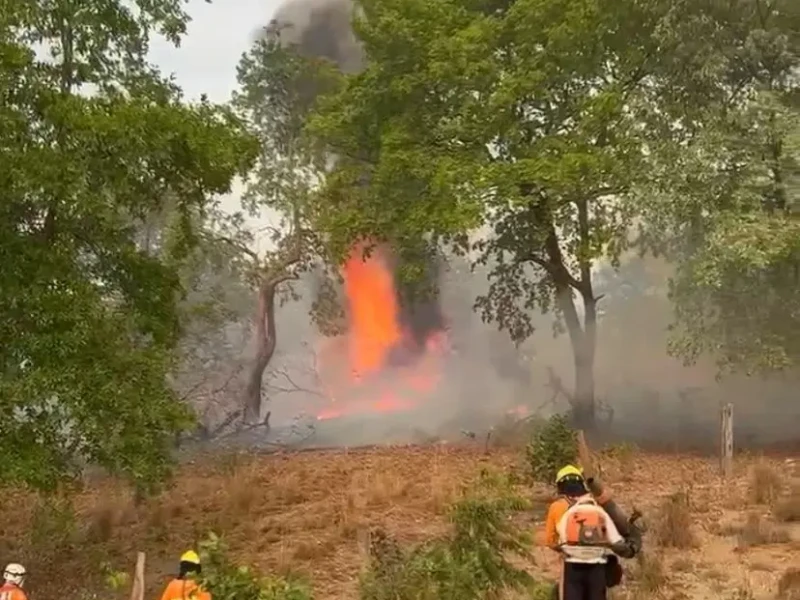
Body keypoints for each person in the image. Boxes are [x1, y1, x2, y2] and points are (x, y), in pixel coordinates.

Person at [544, 465, 637, 600]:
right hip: (597, 566)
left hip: (572, 564)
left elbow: (552, 541)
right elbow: (614, 539)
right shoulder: (599, 509)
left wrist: (568, 548)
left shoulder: (560, 509)